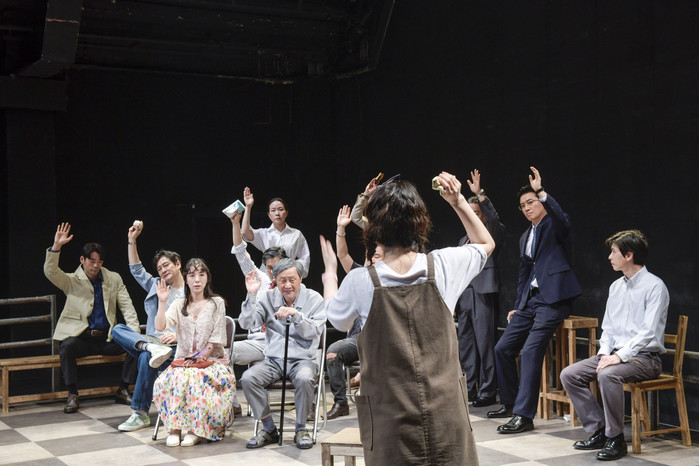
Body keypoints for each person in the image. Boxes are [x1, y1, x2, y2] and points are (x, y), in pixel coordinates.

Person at [321, 172, 495, 465]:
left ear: (374, 229)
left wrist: (329, 275)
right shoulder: (444, 265)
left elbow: (336, 318)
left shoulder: (360, 281)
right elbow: (485, 243)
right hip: (445, 416)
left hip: (390, 421)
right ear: (419, 223)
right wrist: (457, 201)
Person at [489, 166, 582, 434]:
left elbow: (562, 218)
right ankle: (509, 403)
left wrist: (541, 191)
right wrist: (518, 306)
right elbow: (524, 274)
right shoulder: (525, 236)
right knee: (502, 348)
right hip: (530, 301)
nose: (527, 208)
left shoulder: (555, 225)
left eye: (531, 202)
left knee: (530, 351)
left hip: (553, 300)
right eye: (523, 205)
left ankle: (524, 416)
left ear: (540, 202)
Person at [560, 230, 668, 461]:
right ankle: (600, 429)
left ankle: (616, 439)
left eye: (614, 252)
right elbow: (608, 328)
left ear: (629, 255)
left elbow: (648, 332)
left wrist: (619, 357)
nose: (609, 257)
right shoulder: (615, 287)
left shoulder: (655, 286)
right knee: (569, 374)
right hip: (615, 355)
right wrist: (603, 355)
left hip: (645, 358)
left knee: (607, 375)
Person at [44, 223, 140, 414]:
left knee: (135, 344)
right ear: (82, 260)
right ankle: (72, 394)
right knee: (67, 347)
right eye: (92, 261)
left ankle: (123, 389)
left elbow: (127, 306)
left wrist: (135, 333)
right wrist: (56, 247)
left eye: (100, 261)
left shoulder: (113, 278)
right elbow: (50, 271)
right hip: (82, 338)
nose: (96, 265)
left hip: (107, 338)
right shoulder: (72, 280)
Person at [240, 258, 326, 450]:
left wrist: (296, 315)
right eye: (282, 280)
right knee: (248, 378)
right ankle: (269, 429)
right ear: (275, 280)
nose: (287, 285)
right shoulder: (267, 298)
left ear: (300, 278)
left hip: (303, 359)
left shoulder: (314, 299)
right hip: (274, 360)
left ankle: (301, 429)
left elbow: (313, 331)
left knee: (305, 378)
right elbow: (247, 324)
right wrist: (252, 295)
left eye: (292, 280)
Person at [152, 258, 235, 447]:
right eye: (192, 275)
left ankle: (195, 430)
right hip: (183, 363)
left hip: (213, 363)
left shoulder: (216, 303)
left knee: (193, 379)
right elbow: (160, 326)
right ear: (186, 279)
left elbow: (215, 341)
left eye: (201, 275)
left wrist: (198, 359)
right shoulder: (179, 304)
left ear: (207, 278)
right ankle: (174, 429)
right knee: (164, 381)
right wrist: (162, 302)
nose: (197, 279)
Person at [111, 221, 185, 432]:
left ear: (178, 264)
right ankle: (149, 347)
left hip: (176, 347)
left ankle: (140, 414)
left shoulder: (191, 291)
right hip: (154, 341)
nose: (163, 270)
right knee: (117, 329)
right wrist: (132, 240)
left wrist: (178, 336)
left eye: (166, 265)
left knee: (146, 358)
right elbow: (136, 270)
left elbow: (199, 324)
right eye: (159, 268)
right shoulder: (157, 285)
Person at [325, 205, 383, 420]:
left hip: (381, 339)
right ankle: (341, 403)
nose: (372, 259)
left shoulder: (390, 278)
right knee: (333, 351)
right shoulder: (359, 275)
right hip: (358, 339)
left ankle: (364, 381)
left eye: (376, 256)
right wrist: (341, 229)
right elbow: (342, 254)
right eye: (370, 256)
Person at [455, 169, 505, 407]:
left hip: (483, 293)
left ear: (482, 216)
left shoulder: (491, 234)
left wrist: (480, 194)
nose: (472, 217)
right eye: (469, 213)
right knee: (465, 345)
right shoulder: (462, 240)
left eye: (476, 213)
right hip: (464, 296)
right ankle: (468, 389)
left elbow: (494, 219)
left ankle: (487, 390)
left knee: (485, 344)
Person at [229, 210, 288, 414]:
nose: (273, 271)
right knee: (224, 352)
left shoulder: (291, 284)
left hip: (280, 343)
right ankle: (232, 404)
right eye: (269, 267)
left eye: (277, 267)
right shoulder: (259, 279)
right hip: (258, 342)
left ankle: (307, 402)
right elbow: (240, 253)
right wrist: (236, 223)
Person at [241, 187, 310, 277]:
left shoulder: (296, 234)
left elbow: (305, 258)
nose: (277, 213)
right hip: (267, 278)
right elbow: (245, 232)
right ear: (269, 215)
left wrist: (293, 272)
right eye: (273, 210)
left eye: (280, 209)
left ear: (286, 212)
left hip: (287, 278)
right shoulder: (264, 234)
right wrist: (248, 207)